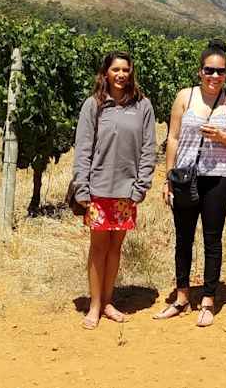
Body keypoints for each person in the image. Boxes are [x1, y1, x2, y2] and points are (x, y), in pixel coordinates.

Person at [155, 40, 226, 327]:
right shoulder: (186, 96)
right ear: (200, 71)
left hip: (218, 177)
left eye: (220, 71)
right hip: (185, 176)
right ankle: (181, 297)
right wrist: (168, 177)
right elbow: (173, 138)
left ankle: (208, 299)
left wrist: (221, 137)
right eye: (210, 70)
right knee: (183, 238)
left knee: (212, 239)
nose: (215, 76)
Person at [70, 51, 157, 330]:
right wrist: (82, 187)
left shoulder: (143, 106)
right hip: (97, 189)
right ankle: (95, 305)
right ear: (105, 73)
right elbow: (83, 148)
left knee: (115, 248)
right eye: (115, 69)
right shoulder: (93, 105)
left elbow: (148, 149)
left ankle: (108, 302)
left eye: (125, 70)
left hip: (126, 191)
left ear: (131, 73)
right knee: (98, 248)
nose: (121, 75)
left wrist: (141, 185)